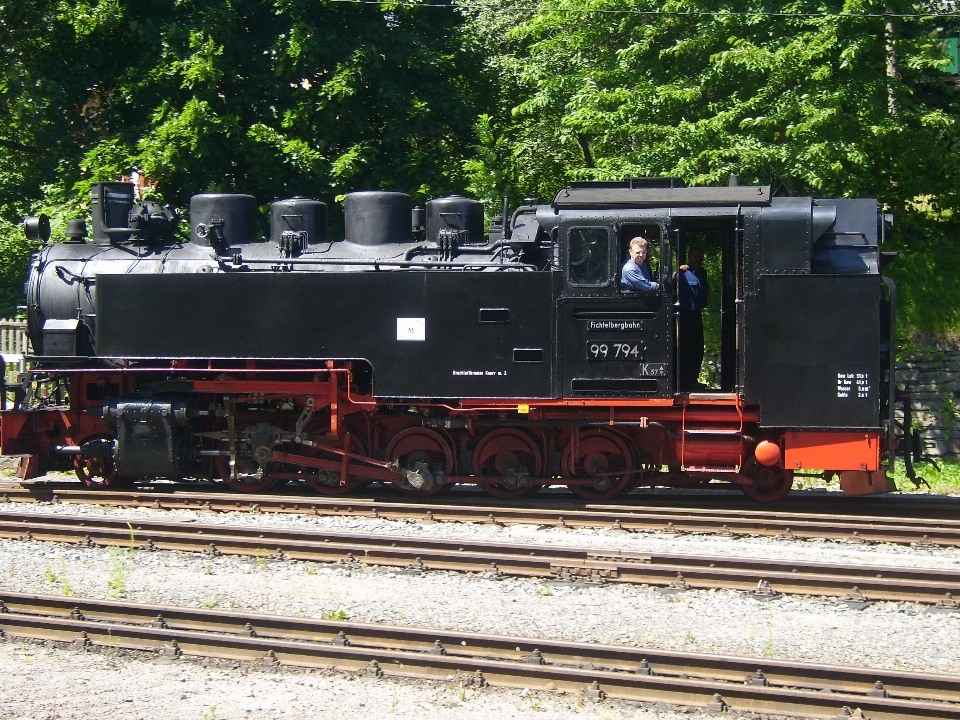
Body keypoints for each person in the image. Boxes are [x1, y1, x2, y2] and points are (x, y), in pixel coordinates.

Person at [675, 246, 709, 392]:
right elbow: (669, 285)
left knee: (698, 348)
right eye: (694, 256)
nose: (697, 259)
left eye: (699, 256)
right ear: (689, 256)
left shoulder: (702, 272)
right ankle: (684, 381)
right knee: (686, 348)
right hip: (684, 315)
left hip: (696, 313)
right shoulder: (683, 272)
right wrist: (677, 273)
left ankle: (693, 379)